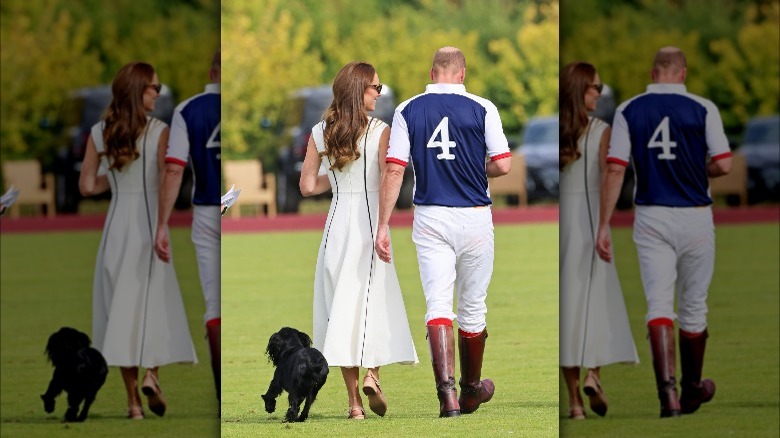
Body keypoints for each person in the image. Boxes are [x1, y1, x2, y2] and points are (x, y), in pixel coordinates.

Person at [374, 47, 512, 418]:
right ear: (462, 72)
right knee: (472, 307)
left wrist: (383, 224)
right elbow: (503, 164)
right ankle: (470, 391)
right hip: (474, 216)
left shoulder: (407, 109)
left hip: (431, 216)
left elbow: (394, 170)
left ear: (432, 71)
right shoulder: (484, 107)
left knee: (437, 305)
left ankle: (448, 397)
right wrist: (474, 167)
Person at [596, 46, 731, 418]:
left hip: (651, 215)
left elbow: (615, 169)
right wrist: (695, 170)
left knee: (658, 304)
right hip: (696, 216)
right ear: (682, 73)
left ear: (654, 72)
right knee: (693, 306)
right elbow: (723, 163)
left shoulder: (628, 110)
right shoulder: (704, 108)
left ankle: (668, 397)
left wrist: (604, 223)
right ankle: (691, 389)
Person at [300, 61, 419, 420]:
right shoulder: (381, 130)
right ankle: (373, 376)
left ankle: (354, 405)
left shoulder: (321, 132)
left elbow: (307, 187)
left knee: (341, 312)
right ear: (358, 90)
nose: (379, 94)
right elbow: (388, 181)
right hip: (369, 225)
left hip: (336, 228)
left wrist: (334, 175)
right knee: (373, 304)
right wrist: (384, 226)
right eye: (375, 88)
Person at [79, 61, 198, 420]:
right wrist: (162, 224)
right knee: (153, 308)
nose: (158, 94)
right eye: (154, 88)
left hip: (115, 230)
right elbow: (166, 181)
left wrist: (112, 177)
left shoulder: (101, 133)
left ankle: (133, 405)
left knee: (120, 315)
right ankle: (152, 376)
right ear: (137, 91)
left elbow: (86, 186)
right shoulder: (160, 131)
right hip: (149, 226)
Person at [559, 61, 639, 420]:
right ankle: (594, 373)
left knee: (568, 310)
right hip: (590, 221)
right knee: (595, 303)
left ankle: (575, 403)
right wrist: (605, 224)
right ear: (580, 90)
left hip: (561, 229)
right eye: (595, 87)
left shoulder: (557, 131)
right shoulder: (600, 130)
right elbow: (610, 176)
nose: (600, 93)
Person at [154, 50, 222, 410]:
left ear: (211, 70)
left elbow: (174, 169)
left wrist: (162, 223)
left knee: (215, 304)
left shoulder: (187, 110)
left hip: (207, 212)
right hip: (235, 210)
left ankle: (219, 390)